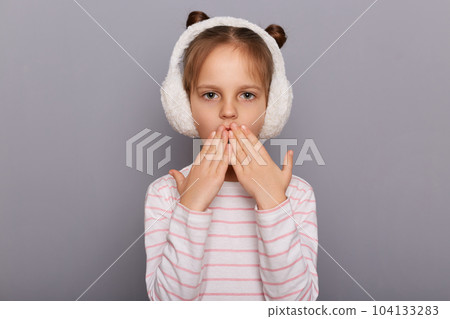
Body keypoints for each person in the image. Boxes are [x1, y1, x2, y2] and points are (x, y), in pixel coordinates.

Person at [144, 11, 318, 301]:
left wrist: (273, 202)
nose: (228, 112)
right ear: (184, 107)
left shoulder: (296, 195)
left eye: (247, 95)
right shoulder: (165, 195)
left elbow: (295, 305)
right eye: (210, 95)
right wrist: (191, 205)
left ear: (272, 107)